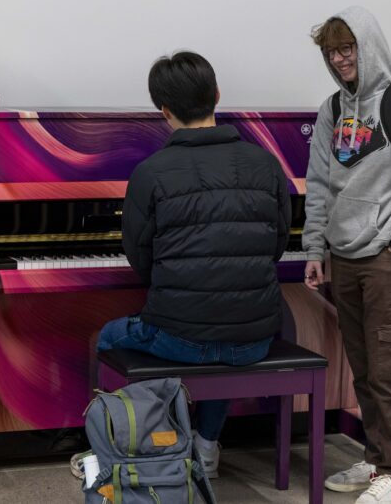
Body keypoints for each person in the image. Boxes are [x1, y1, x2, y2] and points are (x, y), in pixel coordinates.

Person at [95, 50, 291, 478]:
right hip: (254, 339)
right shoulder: (266, 164)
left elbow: (140, 259)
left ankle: (140, 448)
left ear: (164, 110)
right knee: (224, 324)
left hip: (180, 338)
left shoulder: (150, 172)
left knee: (110, 337)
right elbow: (276, 245)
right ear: (217, 95)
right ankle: (206, 446)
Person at [302, 6, 391, 504]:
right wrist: (315, 246)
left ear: (367, 46)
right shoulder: (332, 109)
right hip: (343, 255)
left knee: (386, 369)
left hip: (389, 256)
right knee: (362, 368)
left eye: (347, 48)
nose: (340, 59)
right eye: (331, 52)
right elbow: (318, 183)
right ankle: (375, 457)